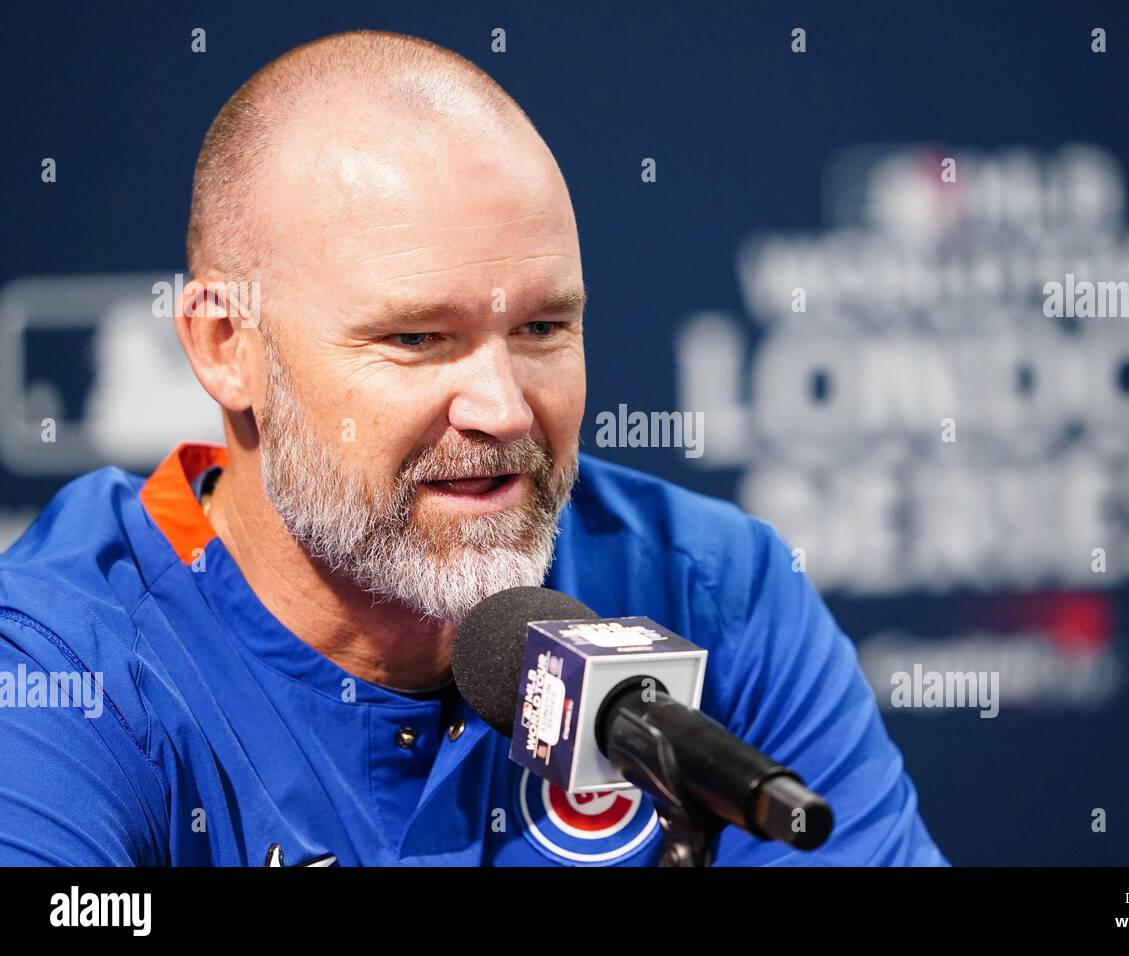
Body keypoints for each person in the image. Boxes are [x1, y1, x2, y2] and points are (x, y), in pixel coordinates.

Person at [0, 30, 946, 866]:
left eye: (542, 328)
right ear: (225, 346)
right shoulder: (58, 672)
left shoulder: (712, 589)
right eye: (417, 338)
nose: (502, 409)